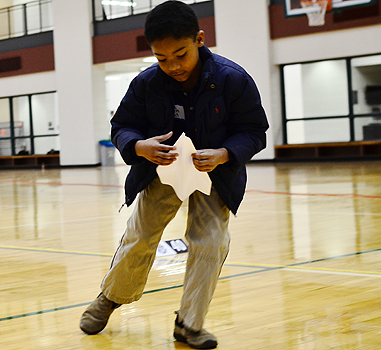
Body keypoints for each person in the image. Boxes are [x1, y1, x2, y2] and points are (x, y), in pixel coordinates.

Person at [78, 2, 269, 349]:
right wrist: (138, 147)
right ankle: (109, 297)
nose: (173, 66)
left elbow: (255, 132)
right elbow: (121, 126)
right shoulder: (146, 83)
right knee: (140, 237)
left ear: (199, 39)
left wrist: (224, 154)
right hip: (159, 173)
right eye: (162, 59)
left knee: (210, 243)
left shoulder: (233, 79)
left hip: (215, 175)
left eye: (180, 55)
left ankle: (189, 324)